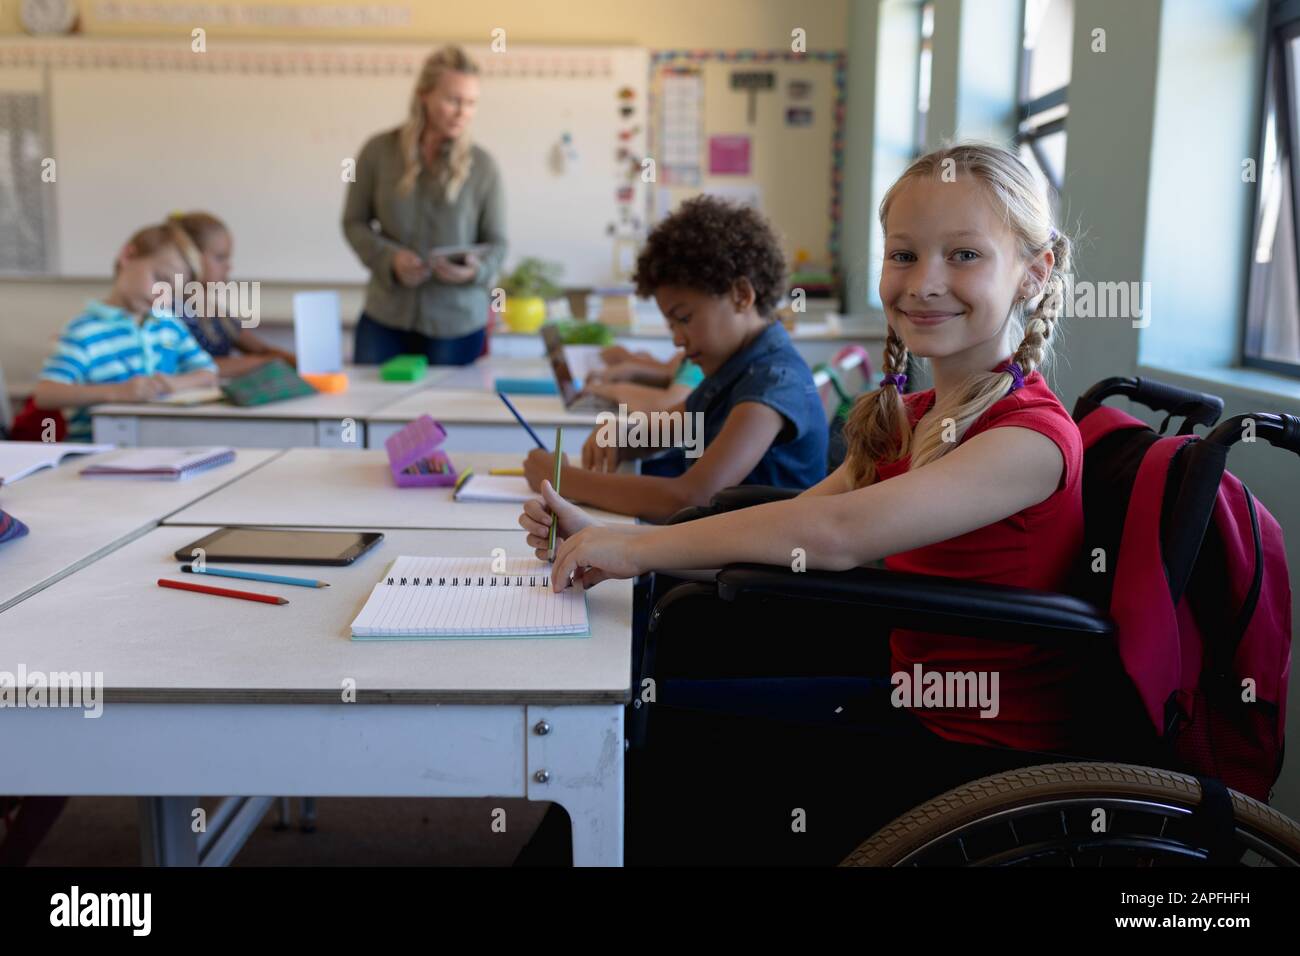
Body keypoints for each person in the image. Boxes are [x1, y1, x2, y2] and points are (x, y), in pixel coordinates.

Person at [521, 196, 827, 522]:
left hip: (754, 568)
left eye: (684, 318)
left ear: (741, 295)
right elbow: (677, 427)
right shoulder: (736, 366)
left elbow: (692, 497)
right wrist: (621, 437)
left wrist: (562, 480)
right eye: (671, 324)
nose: (677, 339)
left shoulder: (774, 382)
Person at [342, 45, 507, 366]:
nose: (463, 112)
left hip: (457, 323)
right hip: (385, 317)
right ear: (423, 95)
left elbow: (498, 243)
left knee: (444, 416)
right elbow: (353, 222)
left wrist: (474, 270)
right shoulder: (378, 152)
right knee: (373, 411)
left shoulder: (483, 166)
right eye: (453, 100)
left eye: (471, 103)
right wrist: (390, 259)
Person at [32, 221, 218, 442]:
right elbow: (46, 394)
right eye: (160, 279)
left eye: (173, 292)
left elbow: (208, 372)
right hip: (95, 453)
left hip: (158, 448)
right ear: (128, 256)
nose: (162, 296)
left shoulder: (169, 326)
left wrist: (172, 384)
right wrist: (117, 392)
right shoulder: (84, 331)